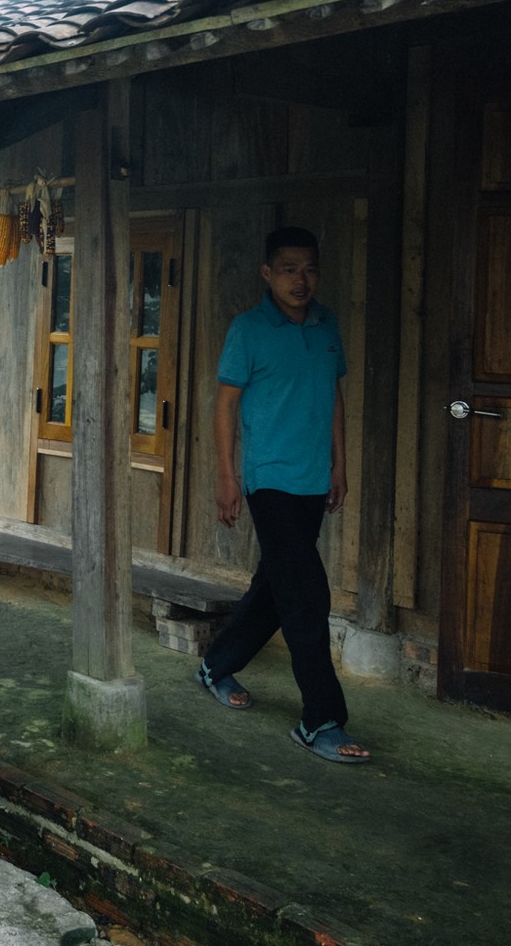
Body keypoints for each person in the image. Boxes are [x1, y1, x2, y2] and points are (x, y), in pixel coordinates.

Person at [194, 226, 370, 763]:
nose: (301, 279)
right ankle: (320, 720)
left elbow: (333, 395)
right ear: (268, 274)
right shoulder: (248, 331)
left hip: (314, 479)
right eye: (289, 268)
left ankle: (215, 664)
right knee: (305, 595)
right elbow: (225, 406)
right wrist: (227, 475)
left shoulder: (326, 324)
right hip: (268, 479)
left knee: (275, 587)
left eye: (310, 268)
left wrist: (340, 463)